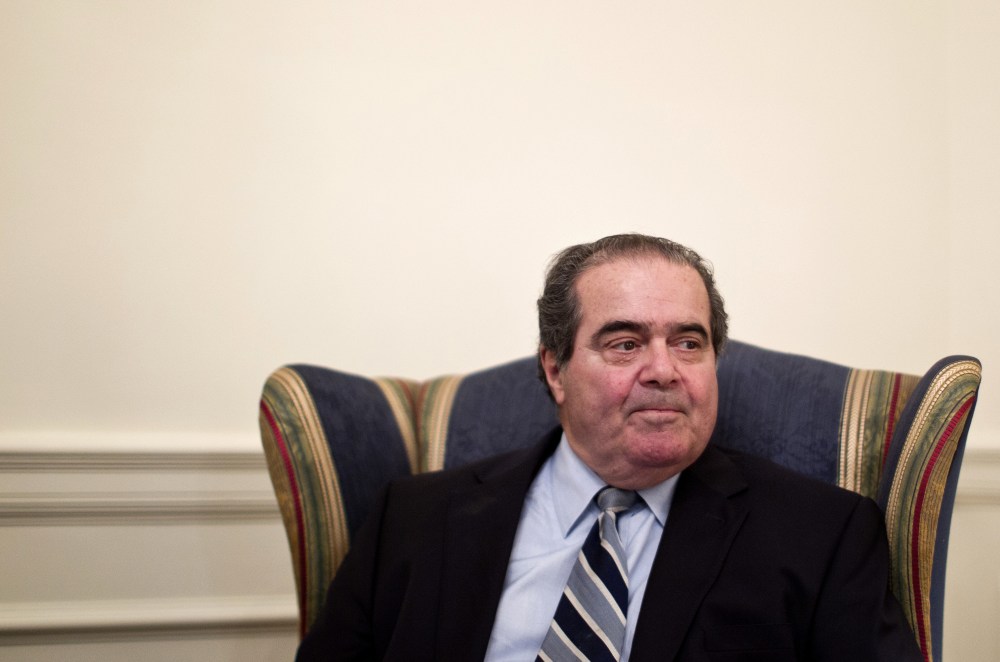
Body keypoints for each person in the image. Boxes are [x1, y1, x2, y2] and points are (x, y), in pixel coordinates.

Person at [296, 234, 923, 661]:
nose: (664, 370)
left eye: (689, 343)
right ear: (555, 370)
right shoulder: (414, 519)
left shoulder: (821, 536)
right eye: (625, 344)